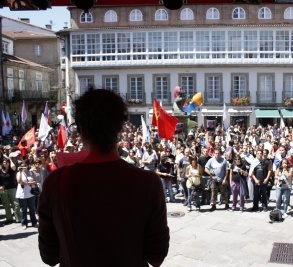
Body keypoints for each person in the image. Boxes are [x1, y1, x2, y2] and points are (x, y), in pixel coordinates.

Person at [38, 89, 169, 267]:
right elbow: (156, 257)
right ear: (120, 127)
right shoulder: (148, 183)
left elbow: (49, 257)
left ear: (81, 129)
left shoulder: (55, 184)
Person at [16, 162, 38, 230]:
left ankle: (34, 222)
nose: (24, 167)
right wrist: (20, 171)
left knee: (32, 208)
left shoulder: (31, 172)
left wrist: (26, 183)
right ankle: (24, 223)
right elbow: (19, 181)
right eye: (22, 166)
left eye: (25, 166)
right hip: (22, 194)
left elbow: (35, 181)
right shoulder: (19, 173)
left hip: (31, 193)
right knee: (23, 210)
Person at [0, 158, 21, 224]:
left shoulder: (12, 170)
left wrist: (10, 160)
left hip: (12, 189)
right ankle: (9, 219)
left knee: (16, 204)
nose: (5, 163)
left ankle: (18, 218)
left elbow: (14, 167)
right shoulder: (0, 171)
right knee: (6, 205)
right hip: (4, 190)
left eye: (6, 162)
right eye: (4, 162)